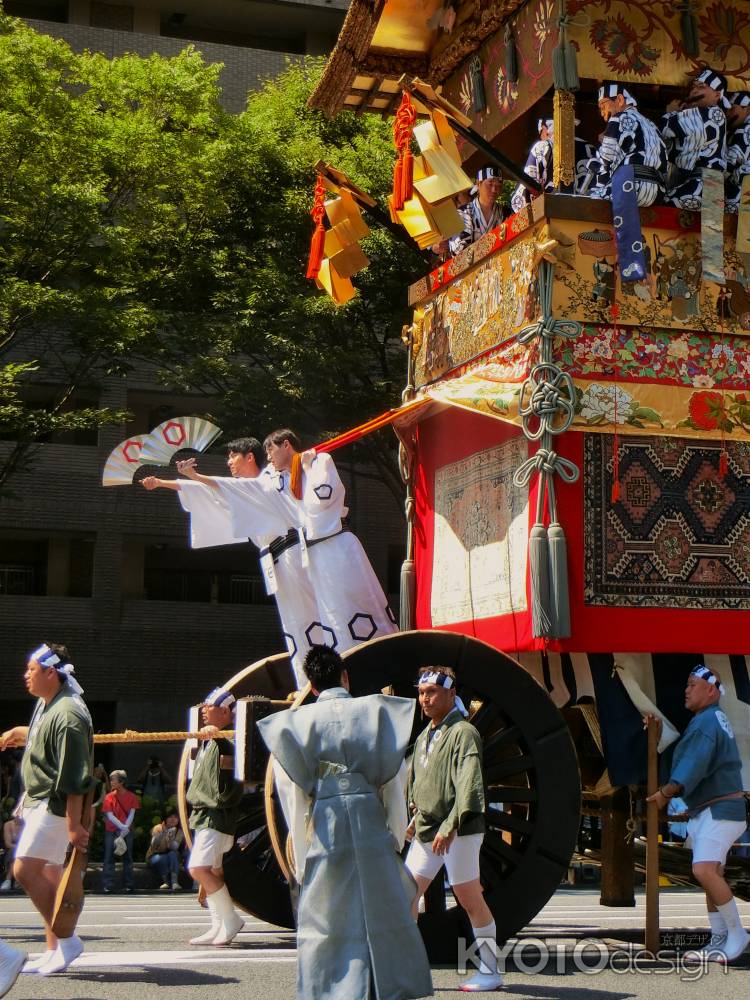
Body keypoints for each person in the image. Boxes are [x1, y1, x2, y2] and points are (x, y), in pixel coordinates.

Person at [257, 645, 433, 1000]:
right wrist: (395, 836)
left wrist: (303, 854)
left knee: (328, 916)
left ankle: (334, 987)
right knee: (383, 909)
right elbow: (394, 783)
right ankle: (388, 986)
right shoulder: (378, 714)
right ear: (345, 677)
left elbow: (293, 796)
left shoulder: (295, 724)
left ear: (312, 685)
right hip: (370, 821)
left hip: (326, 824)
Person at [178, 429, 397, 676]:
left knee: (350, 605)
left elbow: (322, 500)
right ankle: (327, 676)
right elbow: (240, 491)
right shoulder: (275, 479)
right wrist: (185, 480)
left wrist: (305, 467)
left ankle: (373, 665)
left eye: (270, 450)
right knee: (323, 616)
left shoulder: (317, 461)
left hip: (332, 542)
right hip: (308, 552)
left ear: (286, 445)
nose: (268, 457)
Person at [142, 436, 319, 689]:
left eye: (233, 456)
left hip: (291, 551)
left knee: (307, 616)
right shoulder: (241, 487)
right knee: (293, 623)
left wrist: (195, 476)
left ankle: (319, 677)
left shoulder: (268, 480)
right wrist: (161, 482)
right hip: (274, 558)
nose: (229, 462)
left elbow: (217, 485)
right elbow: (205, 490)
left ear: (249, 457)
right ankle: (306, 681)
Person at [405, 667, 501, 993]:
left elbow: (468, 786)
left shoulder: (464, 733)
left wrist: (450, 825)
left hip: (459, 829)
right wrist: (413, 820)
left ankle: (490, 971)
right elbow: (422, 786)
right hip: (428, 828)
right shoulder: (426, 735)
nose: (425, 699)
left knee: (469, 897)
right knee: (405, 893)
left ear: (450, 692)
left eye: (431, 692)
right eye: (421, 692)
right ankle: (409, 970)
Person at [0, 642, 92, 976]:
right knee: (49, 874)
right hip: (43, 802)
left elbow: (75, 776)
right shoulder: (50, 703)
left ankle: (67, 942)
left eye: (31, 670)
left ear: (50, 672)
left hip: (54, 805)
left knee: (25, 870)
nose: (26, 675)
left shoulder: (68, 714)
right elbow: (42, 737)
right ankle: (54, 947)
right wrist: (17, 733)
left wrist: (73, 825)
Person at [646, 665, 749, 962]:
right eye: (687, 685)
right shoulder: (710, 719)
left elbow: (695, 761)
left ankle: (737, 933)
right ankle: (719, 938)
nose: (686, 690)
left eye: (692, 685)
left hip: (720, 809)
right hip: (714, 808)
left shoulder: (708, 722)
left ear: (711, 690)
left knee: (703, 870)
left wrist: (668, 791)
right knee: (711, 873)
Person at [186, 687, 244, 947]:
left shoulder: (227, 741)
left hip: (215, 816)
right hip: (205, 815)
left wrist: (218, 738)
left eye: (209, 706)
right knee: (213, 870)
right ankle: (218, 924)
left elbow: (232, 777)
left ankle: (230, 919)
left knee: (198, 868)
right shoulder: (211, 740)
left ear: (224, 711)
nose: (204, 710)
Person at [586, 83, 666, 207]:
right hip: (657, 193)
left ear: (619, 99)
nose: (602, 113)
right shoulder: (651, 125)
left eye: (603, 105)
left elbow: (607, 161)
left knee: (589, 197)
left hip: (629, 186)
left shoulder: (619, 117)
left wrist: (594, 161)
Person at [661, 68, 729, 210]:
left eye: (701, 87)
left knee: (664, 204)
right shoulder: (708, 116)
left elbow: (667, 128)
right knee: (709, 231)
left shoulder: (712, 113)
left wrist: (671, 112)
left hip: (703, 184)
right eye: (694, 87)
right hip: (710, 185)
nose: (694, 91)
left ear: (717, 95)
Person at [449, 166, 508, 256]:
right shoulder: (463, 213)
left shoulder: (505, 212)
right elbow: (458, 251)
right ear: (478, 184)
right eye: (490, 184)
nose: (494, 190)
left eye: (498, 185)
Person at [101, 770, 140, 894]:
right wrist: (123, 827)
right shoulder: (109, 797)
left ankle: (129, 884)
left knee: (127, 857)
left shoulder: (132, 797)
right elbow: (109, 815)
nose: (111, 782)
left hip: (126, 830)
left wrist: (124, 828)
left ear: (121, 782)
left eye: (114, 780)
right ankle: (108, 885)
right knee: (109, 857)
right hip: (112, 830)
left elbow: (132, 813)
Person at [725, 92, 750, 214]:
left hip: (739, 197)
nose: (727, 113)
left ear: (748, 109)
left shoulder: (744, 129)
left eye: (732, 108)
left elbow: (730, 164)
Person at [147, 810, 184, 891]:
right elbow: (154, 845)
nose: (173, 819)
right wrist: (163, 834)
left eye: (175, 817)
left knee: (173, 854)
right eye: (170, 817)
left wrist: (170, 840)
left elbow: (174, 847)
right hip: (156, 854)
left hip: (171, 854)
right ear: (165, 819)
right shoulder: (158, 828)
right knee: (161, 858)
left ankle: (175, 882)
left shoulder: (179, 832)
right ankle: (166, 882)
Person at [0, 817, 21, 892]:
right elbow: (8, 844)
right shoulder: (8, 825)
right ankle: (9, 880)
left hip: (26, 851)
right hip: (12, 851)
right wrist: (21, 848)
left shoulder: (28, 824)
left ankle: (10, 880)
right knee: (15, 851)